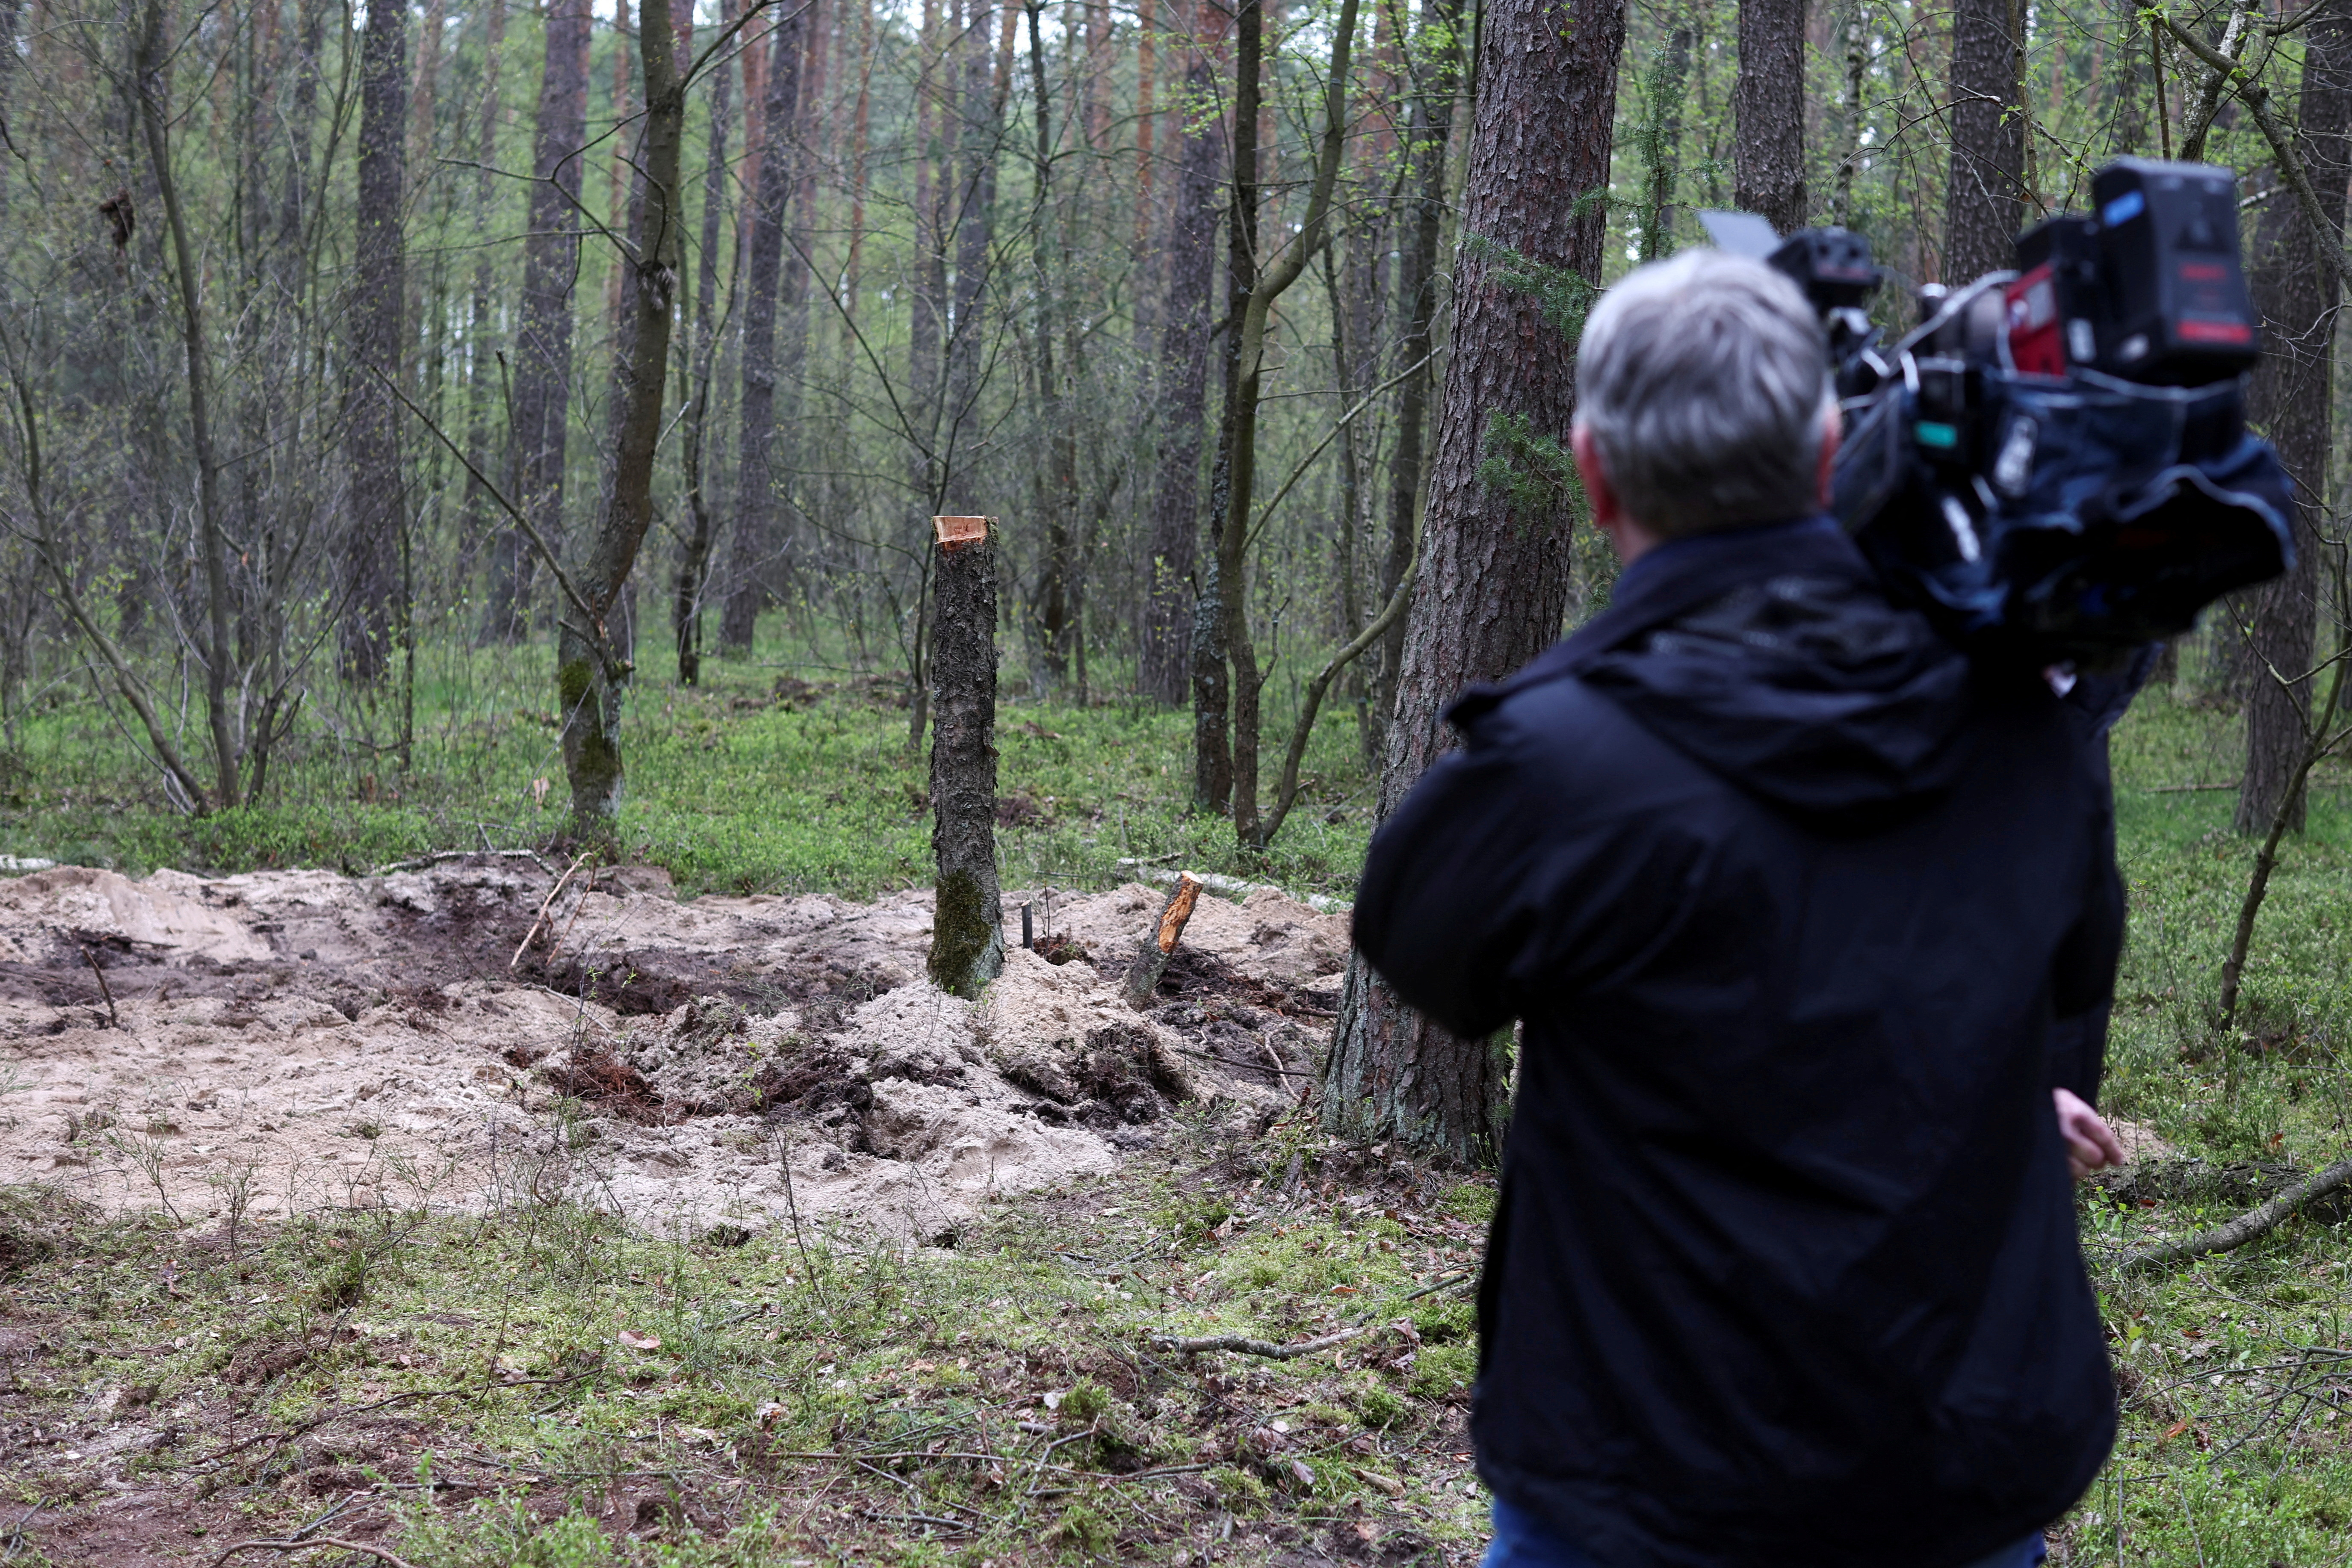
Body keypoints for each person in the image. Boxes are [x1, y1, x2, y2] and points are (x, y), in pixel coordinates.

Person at [1351, 249, 2127, 1568]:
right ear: (1829, 453)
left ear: (1594, 472)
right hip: (1951, 1469)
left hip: (1632, 1482)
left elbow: (1419, 946)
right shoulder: (2016, 727)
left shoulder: (1555, 762)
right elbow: (2050, 966)